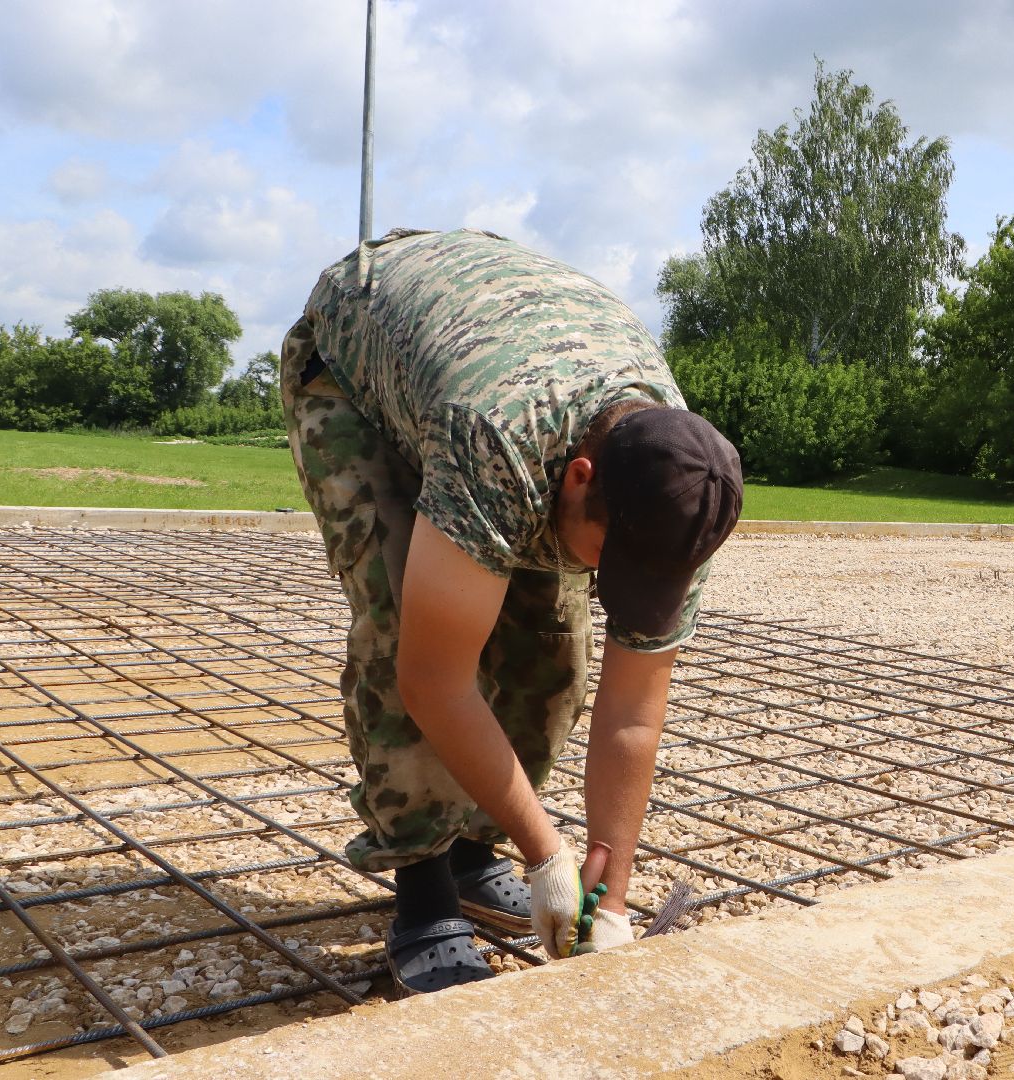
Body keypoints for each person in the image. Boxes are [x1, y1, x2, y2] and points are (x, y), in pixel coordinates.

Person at [279, 227, 742, 994]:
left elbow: (631, 713)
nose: (605, 576)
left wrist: (608, 888)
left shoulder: (684, 484)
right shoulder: (499, 434)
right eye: (607, 552)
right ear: (579, 477)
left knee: (550, 645)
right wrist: (545, 854)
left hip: (494, 371)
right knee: (405, 617)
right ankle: (425, 894)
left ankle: (470, 855)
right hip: (359, 363)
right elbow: (434, 678)